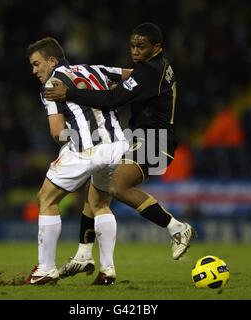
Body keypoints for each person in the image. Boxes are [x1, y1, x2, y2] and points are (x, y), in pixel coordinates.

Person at [45, 23, 196, 276]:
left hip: (155, 140)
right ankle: (83, 254)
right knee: (95, 192)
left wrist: (68, 93)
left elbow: (113, 100)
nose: (135, 51)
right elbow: (125, 89)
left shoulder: (149, 72)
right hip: (143, 136)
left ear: (156, 48)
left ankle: (177, 228)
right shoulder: (154, 67)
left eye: (141, 46)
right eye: (133, 45)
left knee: (118, 187)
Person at [26, 36, 131, 285]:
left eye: (36, 63)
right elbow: (134, 76)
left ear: (52, 60)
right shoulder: (94, 69)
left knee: (46, 198)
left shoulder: (52, 84)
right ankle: (107, 270)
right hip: (118, 146)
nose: (34, 70)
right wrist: (117, 94)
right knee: (100, 203)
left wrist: (70, 146)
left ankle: (46, 269)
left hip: (87, 150)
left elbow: (56, 131)